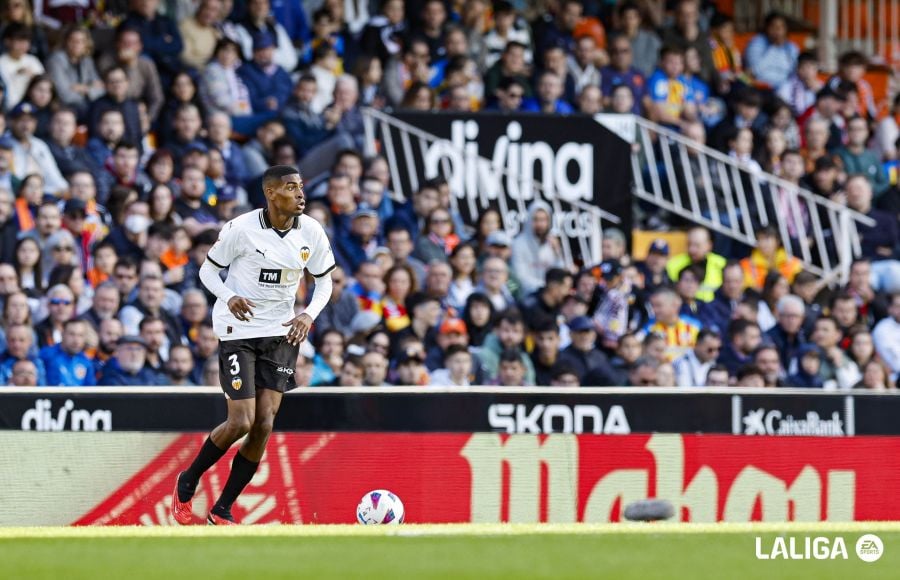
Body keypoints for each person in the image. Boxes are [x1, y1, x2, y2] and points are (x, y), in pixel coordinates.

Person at [172, 165, 336, 526]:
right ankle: (188, 479)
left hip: (281, 332)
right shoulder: (241, 229)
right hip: (238, 330)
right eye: (291, 188)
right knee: (242, 420)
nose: (300, 194)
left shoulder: (311, 231)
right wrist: (229, 296)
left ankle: (223, 507)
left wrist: (308, 315)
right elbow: (207, 272)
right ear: (271, 193)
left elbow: (324, 282)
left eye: (301, 187)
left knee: (264, 422)